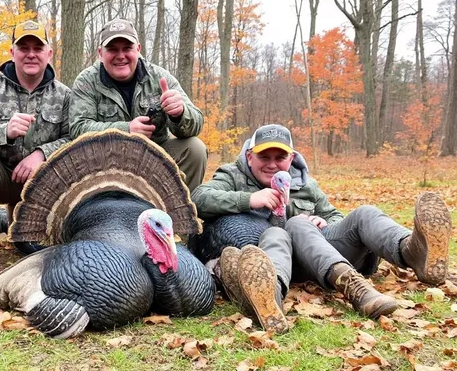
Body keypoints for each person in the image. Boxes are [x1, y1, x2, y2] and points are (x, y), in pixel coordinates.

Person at [192, 124, 451, 331]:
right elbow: (200, 198)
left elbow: (336, 216)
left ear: (291, 158)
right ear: (250, 156)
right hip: (273, 261)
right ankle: (268, 296)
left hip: (316, 255)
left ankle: (413, 250)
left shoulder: (306, 184)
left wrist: (323, 222)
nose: (272, 164)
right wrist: (248, 199)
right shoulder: (232, 175)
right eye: (264, 156)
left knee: (363, 213)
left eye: (280, 157)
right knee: (285, 229)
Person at [0, 20, 71, 265]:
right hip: (0, 177)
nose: (30, 54)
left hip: (41, 181)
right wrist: (4, 131)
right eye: (23, 47)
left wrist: (41, 153)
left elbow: (76, 138)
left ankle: (26, 233)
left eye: (37, 48)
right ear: (12, 52)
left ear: (48, 53)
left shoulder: (64, 96)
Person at [69, 18, 207, 192]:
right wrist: (126, 130)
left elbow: (196, 124)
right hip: (105, 165)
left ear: (138, 49)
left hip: (153, 160)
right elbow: (77, 128)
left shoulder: (159, 77)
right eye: (112, 49)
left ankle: (182, 214)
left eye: (127, 48)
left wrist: (179, 114)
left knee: (195, 149)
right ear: (100, 53)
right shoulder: (87, 81)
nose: (120, 56)